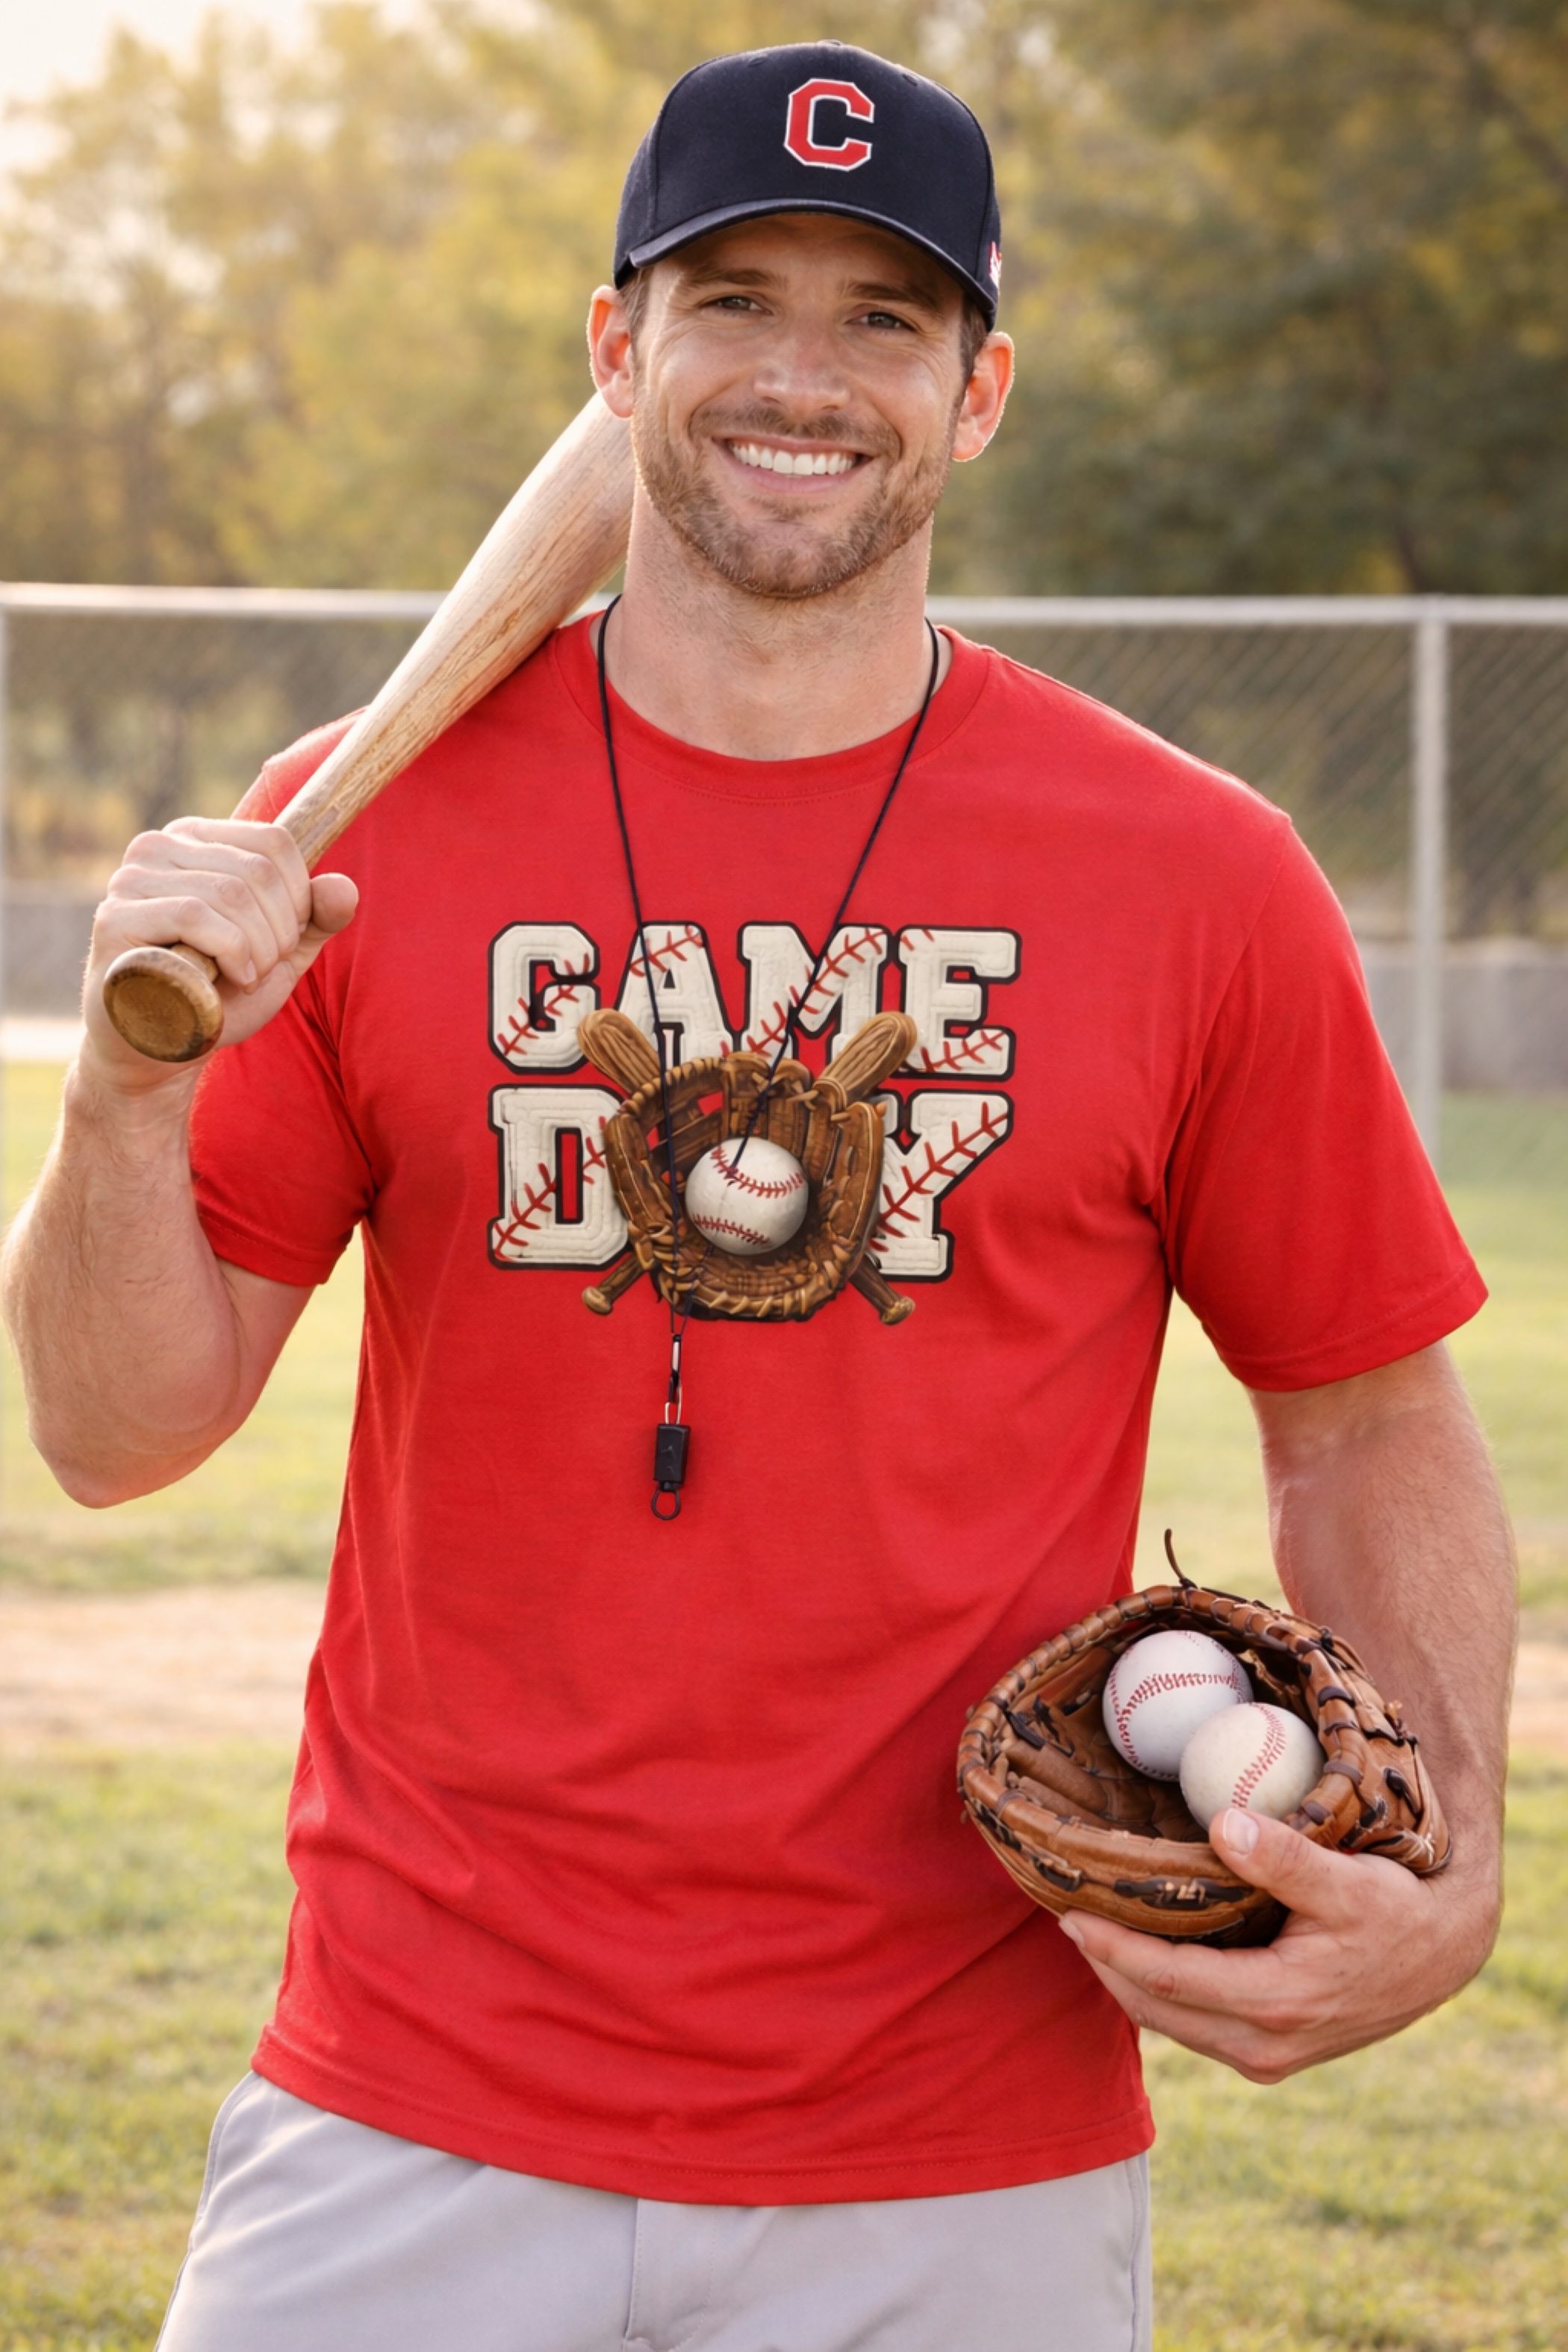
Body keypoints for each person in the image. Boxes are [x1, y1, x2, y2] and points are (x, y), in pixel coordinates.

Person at [2, 41, 1514, 2352]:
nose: (803, 378)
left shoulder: (1194, 877)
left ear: (977, 392)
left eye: (883, 321)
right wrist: (119, 1104)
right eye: (732, 299)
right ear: (618, 354)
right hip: (418, 2095)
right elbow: (116, 1431)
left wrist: (1457, 1863)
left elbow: (1364, 1412)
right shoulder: (349, 828)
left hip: (960, 2137)